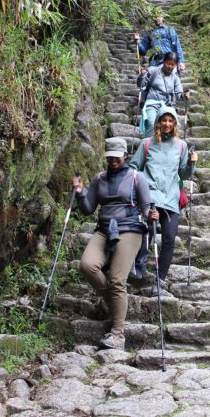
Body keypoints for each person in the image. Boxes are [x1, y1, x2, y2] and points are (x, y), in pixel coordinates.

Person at [73, 137, 158, 350]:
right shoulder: (98, 179)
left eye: (116, 157)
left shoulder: (137, 178)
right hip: (104, 230)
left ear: (125, 156)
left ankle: (118, 334)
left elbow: (146, 208)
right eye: (109, 157)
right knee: (87, 265)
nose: (112, 160)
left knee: (116, 279)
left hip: (130, 229)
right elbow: (88, 209)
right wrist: (80, 193)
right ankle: (115, 303)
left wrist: (152, 215)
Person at [129, 106, 198, 295]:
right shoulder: (147, 143)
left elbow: (183, 174)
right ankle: (138, 267)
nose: (167, 124)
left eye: (171, 120)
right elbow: (134, 167)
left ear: (175, 123)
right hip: (150, 197)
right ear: (158, 121)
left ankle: (160, 279)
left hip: (171, 199)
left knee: (169, 239)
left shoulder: (181, 146)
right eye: (164, 120)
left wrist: (192, 163)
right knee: (146, 233)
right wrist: (140, 185)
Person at [138, 52, 190, 138]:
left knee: (174, 126)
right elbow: (140, 84)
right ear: (163, 62)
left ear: (176, 65)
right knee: (152, 124)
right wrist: (142, 75)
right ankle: (148, 147)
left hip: (167, 106)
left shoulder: (175, 77)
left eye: (172, 65)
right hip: (152, 104)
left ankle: (169, 147)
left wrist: (184, 95)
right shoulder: (152, 70)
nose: (170, 66)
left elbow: (179, 94)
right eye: (168, 63)